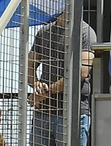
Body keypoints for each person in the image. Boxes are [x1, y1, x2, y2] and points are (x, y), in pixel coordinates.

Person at [28, 10, 97, 146]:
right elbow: (28, 65)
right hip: (43, 112)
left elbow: (81, 72)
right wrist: (36, 84)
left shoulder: (85, 32)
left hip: (72, 113)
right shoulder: (45, 31)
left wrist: (46, 93)